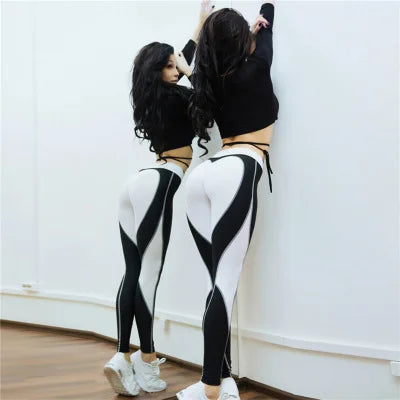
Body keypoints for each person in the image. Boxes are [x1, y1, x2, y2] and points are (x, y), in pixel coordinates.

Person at [103, 1, 213, 396]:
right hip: (160, 181)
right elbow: (208, 98)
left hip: (136, 183)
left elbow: (180, 58)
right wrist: (189, 70)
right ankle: (147, 361)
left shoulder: (153, 96)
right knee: (148, 275)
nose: (176, 68)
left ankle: (121, 354)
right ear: (159, 72)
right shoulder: (177, 95)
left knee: (132, 272)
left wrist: (198, 29)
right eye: (168, 66)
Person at [178, 1, 279, 399]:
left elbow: (186, 64)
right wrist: (261, 19)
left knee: (216, 284)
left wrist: (202, 27)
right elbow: (268, 26)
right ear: (241, 40)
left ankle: (223, 380)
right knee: (224, 285)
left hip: (205, 175)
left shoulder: (208, 83)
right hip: (239, 168)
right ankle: (209, 388)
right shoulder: (257, 67)